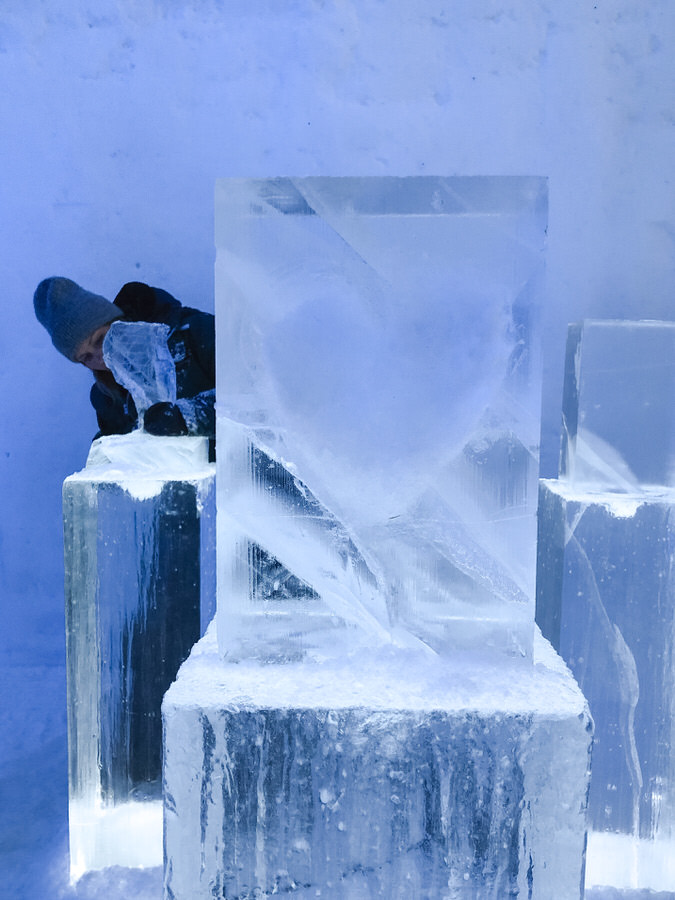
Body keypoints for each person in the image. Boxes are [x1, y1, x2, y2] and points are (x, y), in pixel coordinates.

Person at [33, 277, 215, 442]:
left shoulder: (195, 332)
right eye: (86, 357)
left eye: (100, 339)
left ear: (117, 322)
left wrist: (187, 417)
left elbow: (241, 398)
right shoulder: (106, 398)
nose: (100, 357)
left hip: (234, 473)